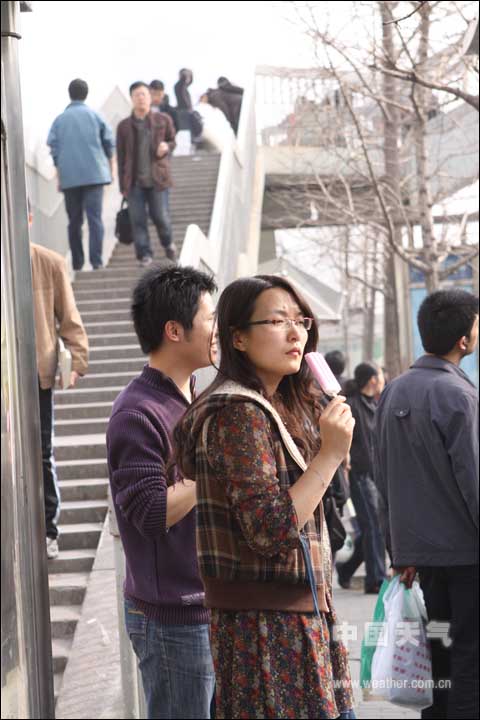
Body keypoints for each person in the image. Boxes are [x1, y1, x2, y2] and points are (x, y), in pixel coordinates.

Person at [174, 275, 356, 719]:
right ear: (237, 337)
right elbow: (270, 529)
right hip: (267, 631)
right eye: (278, 321)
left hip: (297, 618)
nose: (297, 333)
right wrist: (330, 455)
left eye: (301, 320)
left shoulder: (275, 408)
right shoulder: (238, 414)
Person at [106, 263, 217, 720]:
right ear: (175, 329)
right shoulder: (137, 412)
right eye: (210, 320)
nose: (218, 331)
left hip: (205, 607)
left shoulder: (195, 395)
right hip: (171, 619)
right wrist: (210, 468)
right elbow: (151, 513)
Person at [374, 289, 479, 720]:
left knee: (436, 659)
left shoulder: (393, 392)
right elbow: (474, 483)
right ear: (464, 341)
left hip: (418, 558)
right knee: (471, 660)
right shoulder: (460, 396)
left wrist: (397, 551)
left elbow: (384, 479)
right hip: (467, 556)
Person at [30, 213, 89, 560]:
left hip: (35, 375)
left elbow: (69, 316)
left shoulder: (49, 262)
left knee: (41, 453)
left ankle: (49, 530)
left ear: (29, 218)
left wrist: (77, 361)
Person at [46, 78, 114, 271]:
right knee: (95, 219)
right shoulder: (95, 116)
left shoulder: (59, 120)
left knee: (74, 222)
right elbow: (109, 142)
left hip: (70, 179)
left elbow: (54, 148)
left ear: (70, 94)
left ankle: (77, 263)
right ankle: (97, 262)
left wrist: (60, 176)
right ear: (86, 94)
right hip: (95, 176)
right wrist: (110, 167)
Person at [336, 363, 386, 594]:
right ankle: (375, 579)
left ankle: (346, 570)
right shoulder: (353, 405)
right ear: (372, 380)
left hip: (372, 474)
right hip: (357, 474)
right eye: (379, 374)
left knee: (371, 526)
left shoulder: (373, 404)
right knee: (372, 524)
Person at [116, 82, 177, 267]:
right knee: (138, 221)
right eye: (136, 95)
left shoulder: (163, 120)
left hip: (158, 179)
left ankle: (168, 245)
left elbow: (172, 140)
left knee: (161, 217)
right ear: (132, 99)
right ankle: (144, 255)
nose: (140, 98)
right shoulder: (124, 126)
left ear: (150, 97)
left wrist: (167, 147)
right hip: (134, 183)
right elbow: (121, 157)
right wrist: (122, 186)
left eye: (143, 94)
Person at [174, 68, 194, 133]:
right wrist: (184, 75)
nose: (189, 78)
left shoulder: (184, 87)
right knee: (185, 133)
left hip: (186, 113)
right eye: (187, 76)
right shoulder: (179, 86)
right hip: (183, 113)